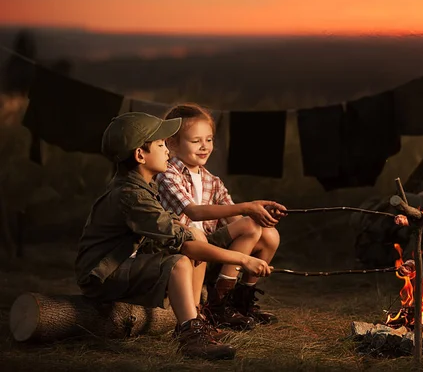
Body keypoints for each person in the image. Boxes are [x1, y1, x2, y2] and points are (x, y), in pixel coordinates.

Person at [75, 112, 274, 361]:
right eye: (160, 145)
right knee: (178, 262)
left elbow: (177, 233)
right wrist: (243, 260)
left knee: (189, 239)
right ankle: (191, 335)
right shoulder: (132, 195)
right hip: (103, 273)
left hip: (121, 262)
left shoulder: (143, 187)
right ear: (140, 155)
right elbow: (186, 245)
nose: (167, 150)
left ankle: (200, 318)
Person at [156, 103, 286, 330]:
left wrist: (261, 216)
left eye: (209, 139)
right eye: (196, 141)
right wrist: (247, 209)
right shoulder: (168, 173)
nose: (204, 146)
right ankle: (218, 304)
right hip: (182, 246)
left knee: (269, 234)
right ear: (173, 143)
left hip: (210, 246)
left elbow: (237, 222)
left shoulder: (212, 181)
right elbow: (193, 211)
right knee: (250, 225)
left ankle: (241, 301)